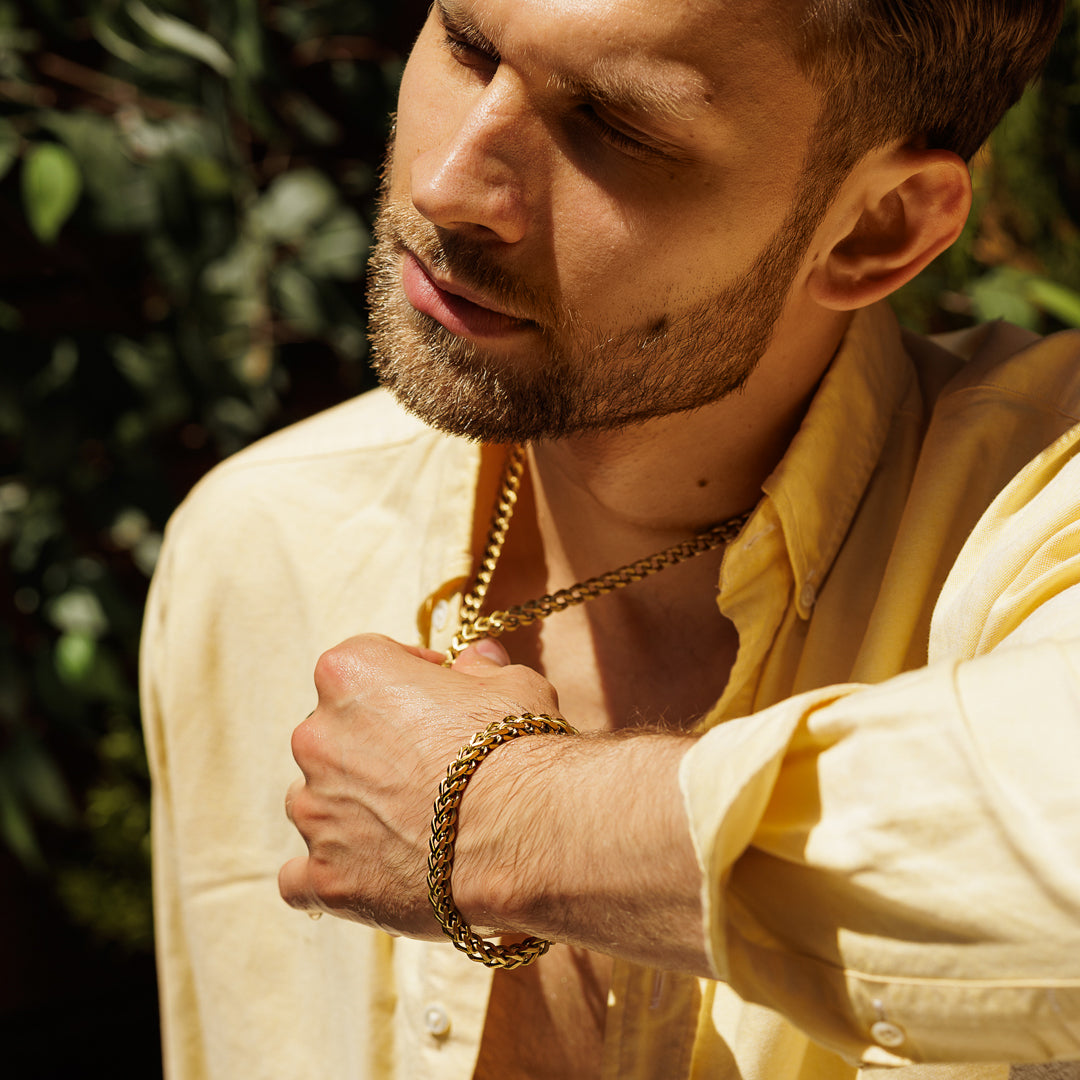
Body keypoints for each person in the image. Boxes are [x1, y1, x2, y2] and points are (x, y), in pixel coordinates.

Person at [141, 0, 1080, 1077]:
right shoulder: (262, 542)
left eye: (617, 127)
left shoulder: (1038, 495)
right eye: (466, 44)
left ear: (877, 229)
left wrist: (501, 819)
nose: (447, 184)